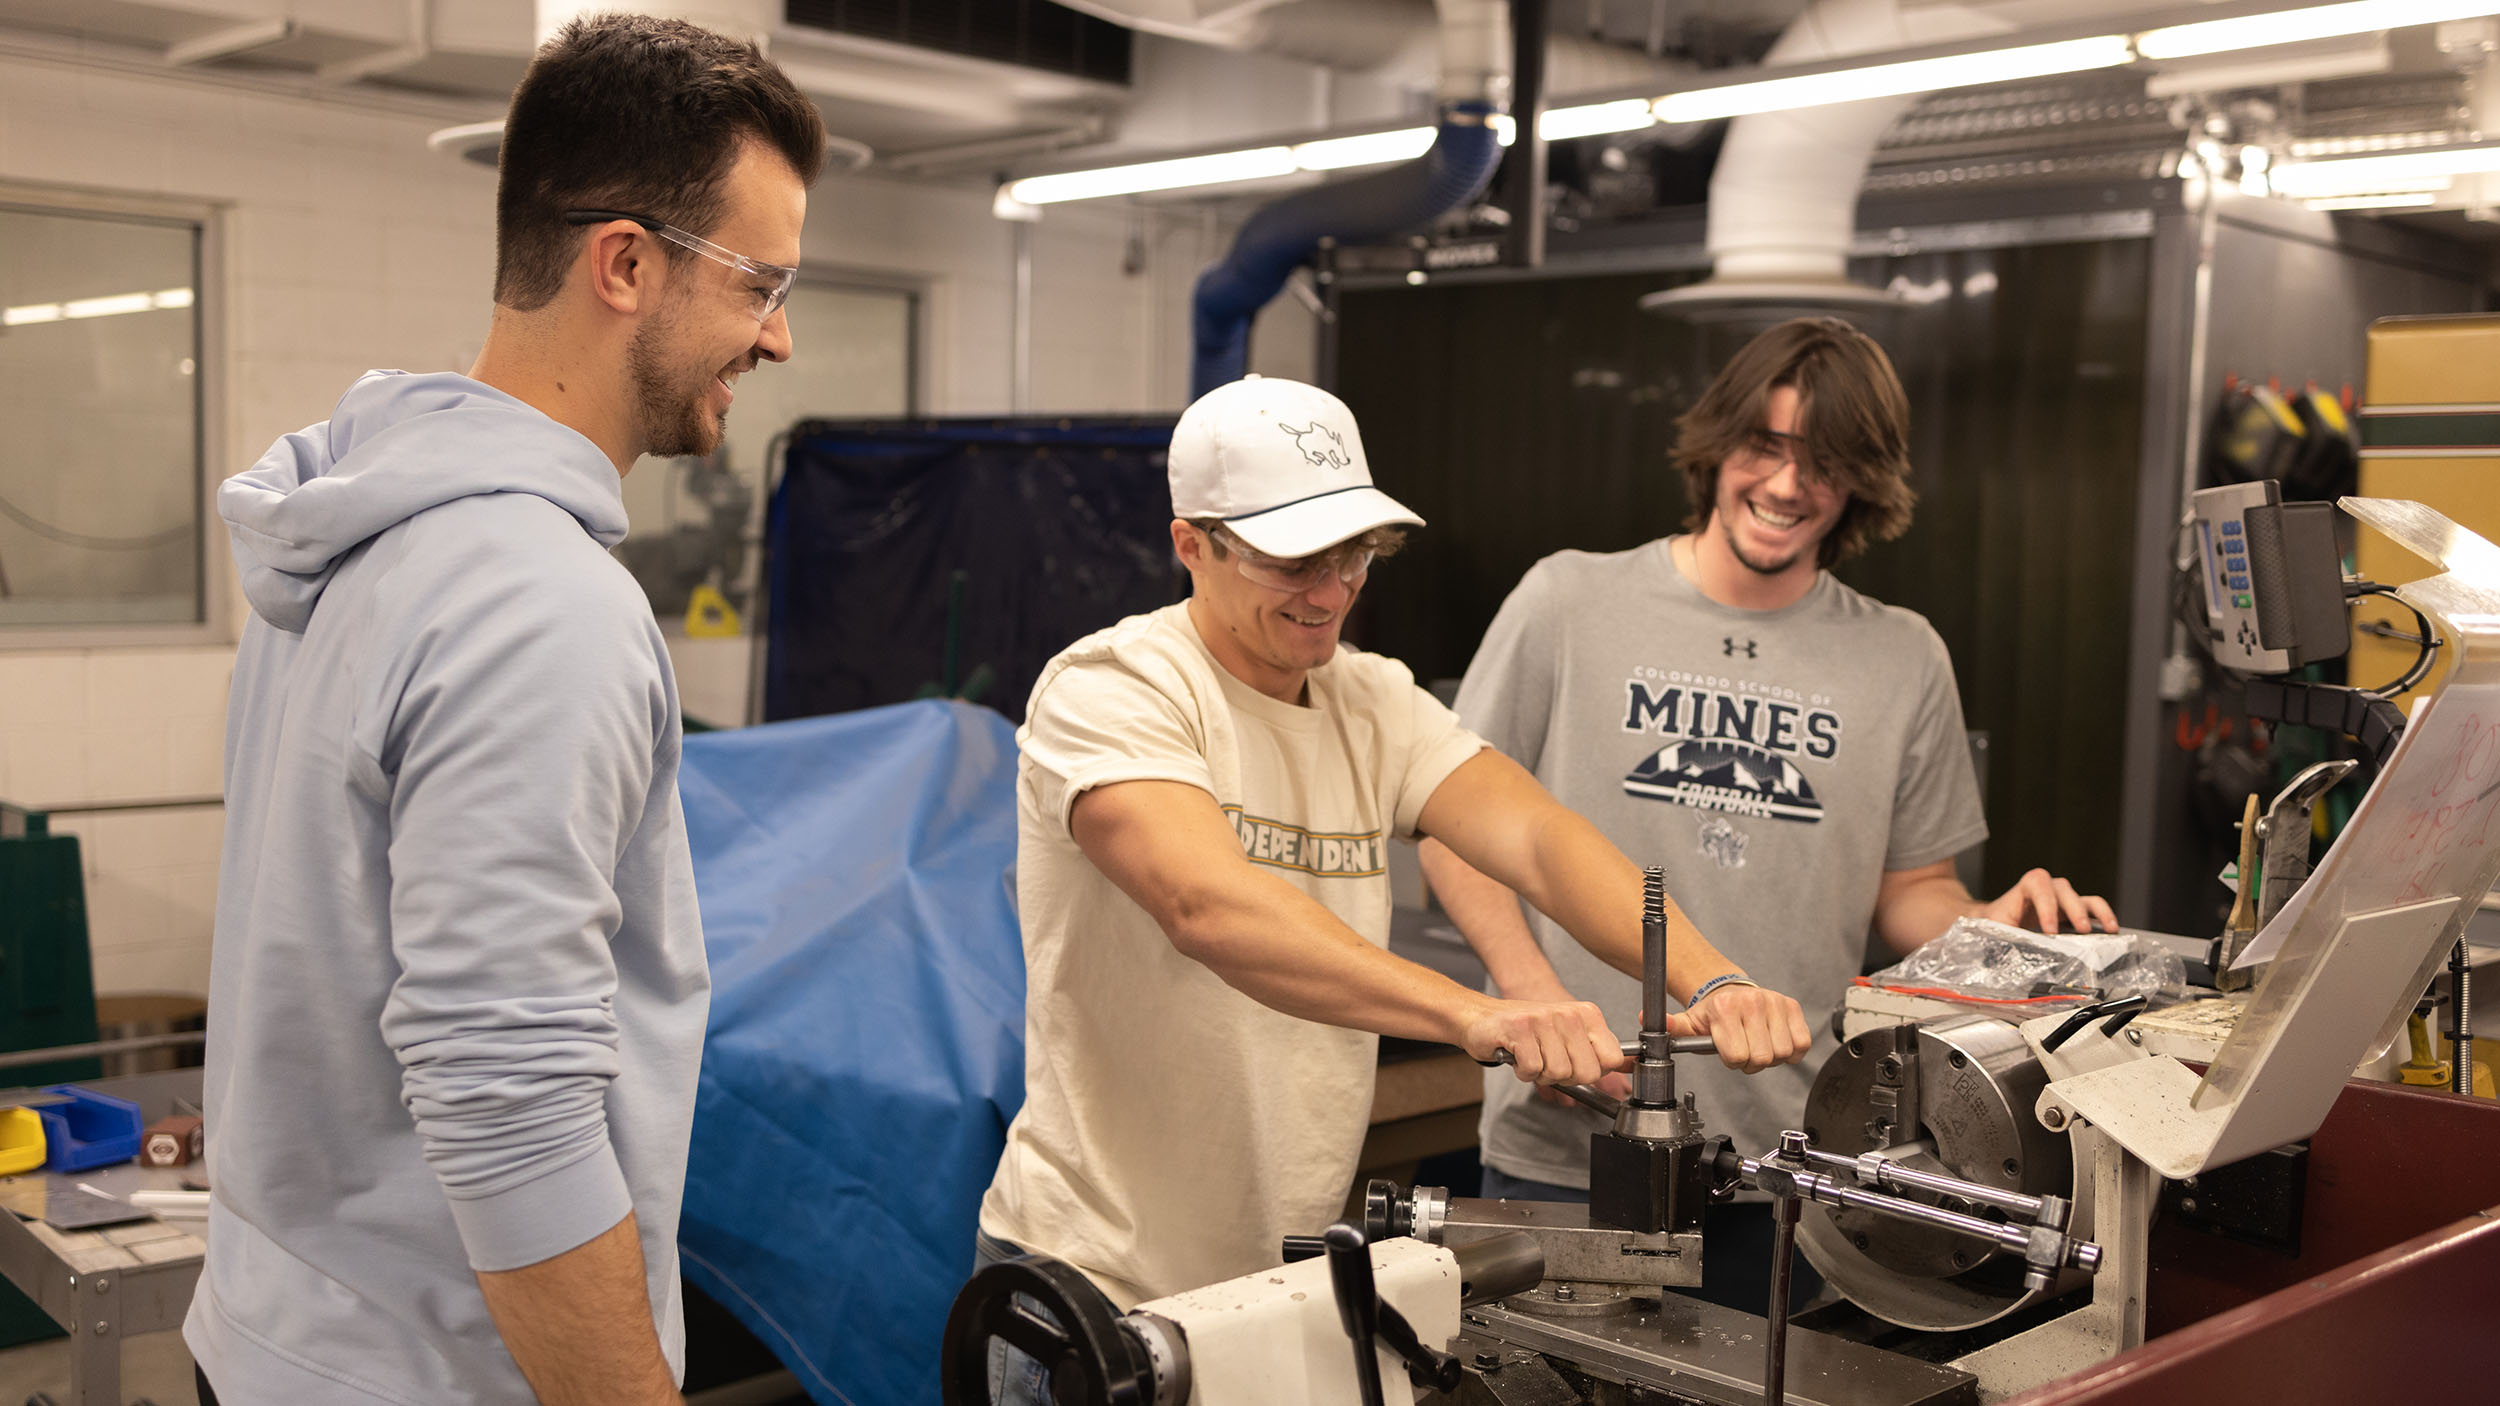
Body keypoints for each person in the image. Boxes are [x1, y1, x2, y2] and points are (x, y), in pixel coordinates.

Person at [184, 17, 824, 1405]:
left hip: (273, 1335)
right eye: (759, 282)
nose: (779, 336)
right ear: (626, 264)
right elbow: (508, 1105)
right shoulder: (541, 602)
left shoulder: (347, 535)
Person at [973, 373, 1813, 1398]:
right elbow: (1211, 908)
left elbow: (1541, 840)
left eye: (1354, 553)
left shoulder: (1369, 697)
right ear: (1192, 543)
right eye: (1293, 558)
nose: (1330, 591)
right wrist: (1481, 1014)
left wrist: (1712, 977)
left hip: (1277, 1286)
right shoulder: (1115, 688)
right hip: (1098, 1285)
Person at [1418, 316, 2116, 1314]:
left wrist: (1998, 926)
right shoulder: (1569, 599)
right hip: (1565, 1147)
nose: (1787, 486)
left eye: (1824, 462)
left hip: (1786, 1163)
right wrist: (1532, 999)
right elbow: (1453, 825)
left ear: (1861, 481)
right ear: (1716, 446)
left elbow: (1913, 892)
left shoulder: (1902, 655)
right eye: (1765, 447)